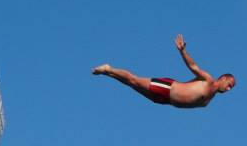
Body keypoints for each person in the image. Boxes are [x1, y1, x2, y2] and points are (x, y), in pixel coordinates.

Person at [92, 35, 236, 108]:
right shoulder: (208, 80)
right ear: (223, 78)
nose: (228, 89)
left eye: (231, 88)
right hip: (167, 88)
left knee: (132, 84)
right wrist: (183, 51)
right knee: (134, 79)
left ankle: (107, 73)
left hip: (165, 100)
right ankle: (109, 68)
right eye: (229, 84)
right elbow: (193, 67)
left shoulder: (209, 100)